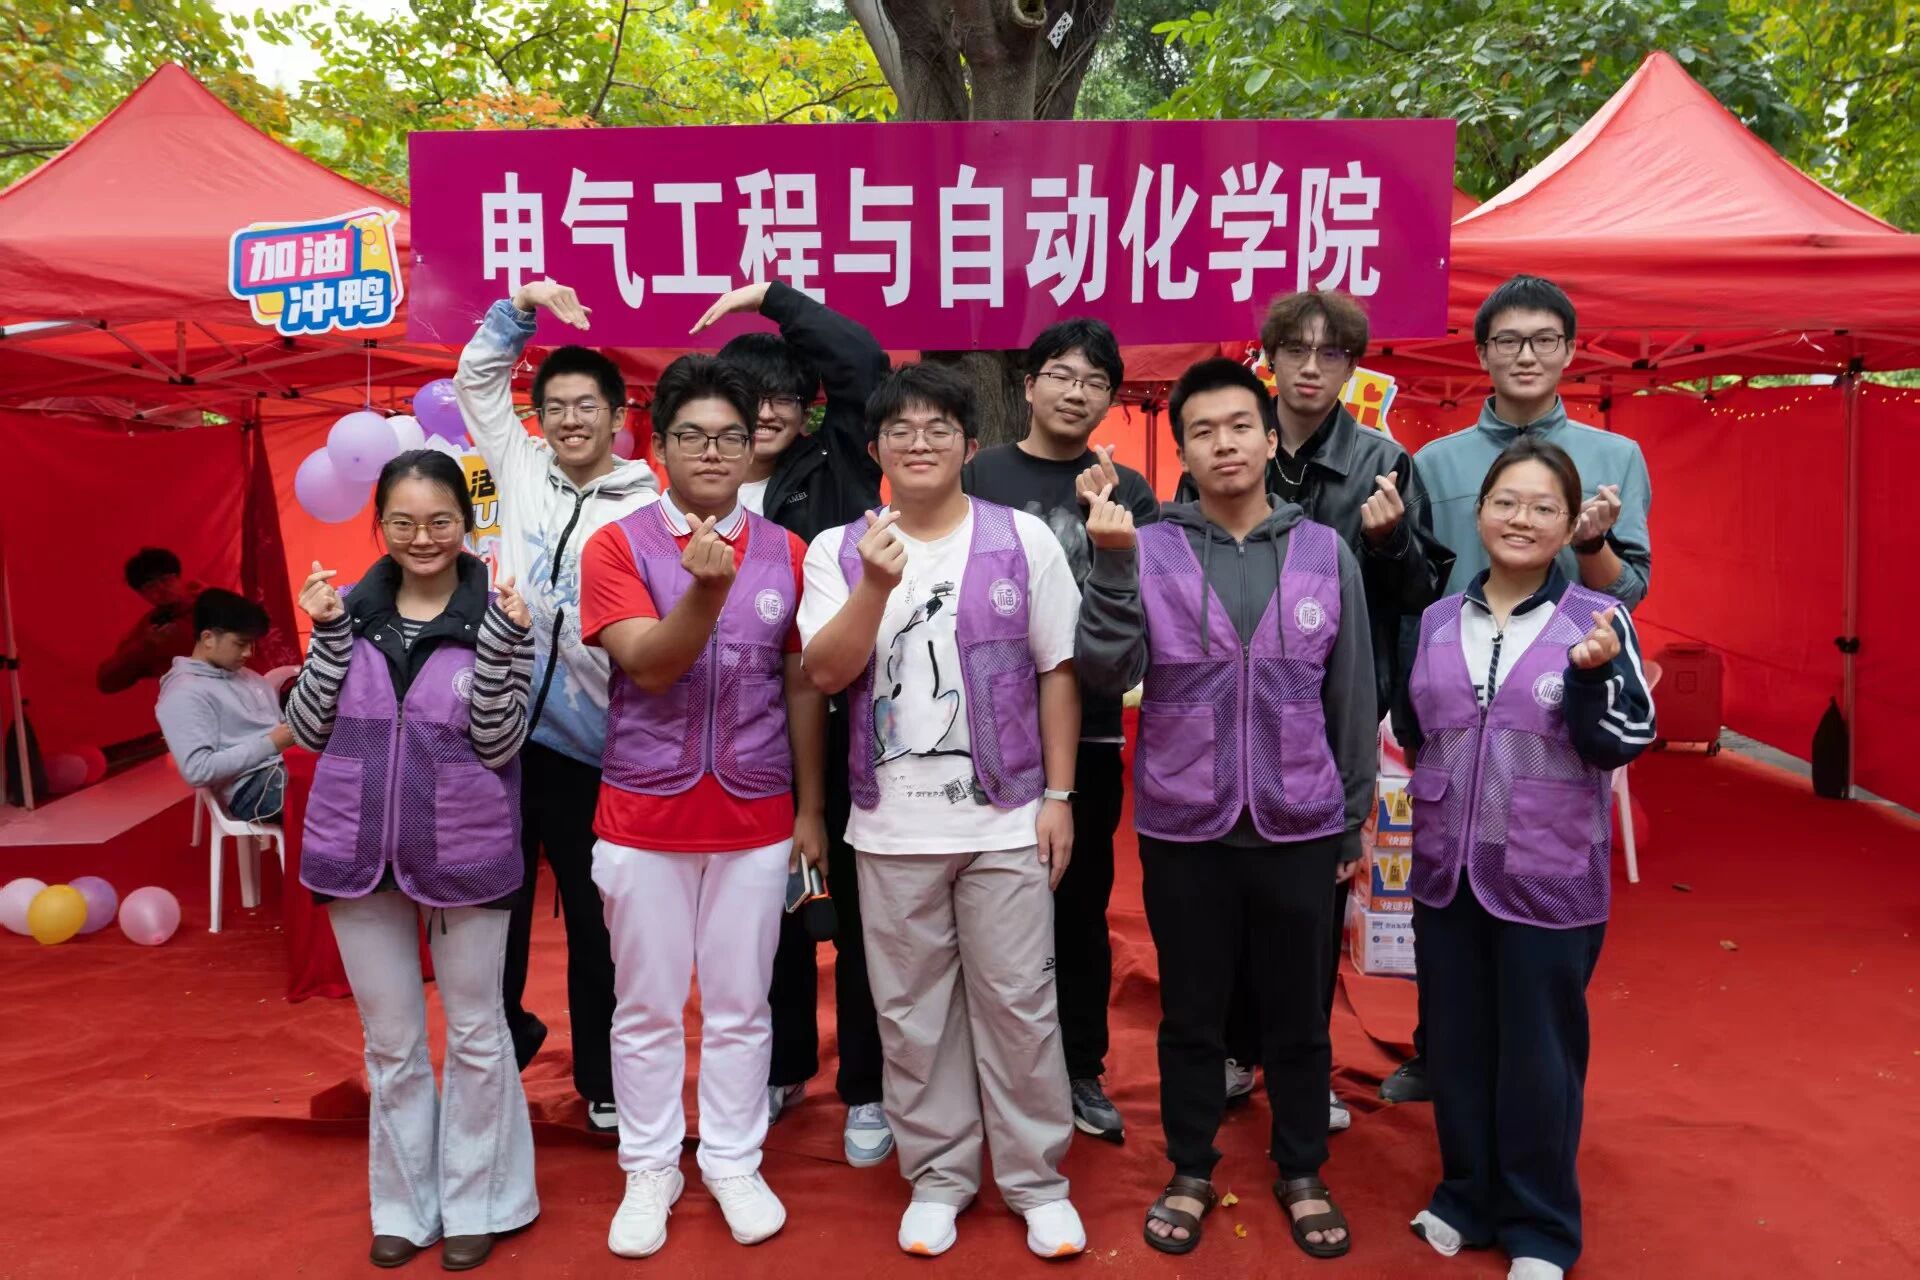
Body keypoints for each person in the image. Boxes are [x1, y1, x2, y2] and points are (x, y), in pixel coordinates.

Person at [1077, 357, 1375, 1260]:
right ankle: (1191, 1167)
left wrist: (1351, 815)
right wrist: (1113, 566)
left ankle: (1303, 1168)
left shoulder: (1325, 553)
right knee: (1191, 1013)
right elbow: (1107, 671)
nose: (1225, 444)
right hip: (1186, 822)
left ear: (1269, 435)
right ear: (1182, 451)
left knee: (1300, 1013)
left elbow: (1351, 695)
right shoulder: (1148, 546)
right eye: (1203, 431)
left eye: (1240, 426)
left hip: (1300, 820)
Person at [798, 363, 1088, 1260]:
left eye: (937, 429)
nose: (918, 442)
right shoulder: (838, 550)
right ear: (875, 448)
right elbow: (825, 671)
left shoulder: (1022, 540)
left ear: (970, 445)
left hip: (1004, 820)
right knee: (910, 1011)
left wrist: (1059, 797)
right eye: (900, 429)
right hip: (890, 829)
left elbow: (1057, 670)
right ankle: (939, 1176)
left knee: (1020, 1004)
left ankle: (1036, 1180)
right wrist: (873, 587)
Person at [1182, 291, 1450, 1130]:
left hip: (1327, 701)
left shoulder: (1384, 462)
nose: (1309, 367)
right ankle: (1235, 1049)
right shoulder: (1234, 442)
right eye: (1293, 350)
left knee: (1315, 894)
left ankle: (1304, 1060)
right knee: (1228, 884)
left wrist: (1390, 542)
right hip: (1228, 700)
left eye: (1329, 353)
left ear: (1351, 367)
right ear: (1268, 360)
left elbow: (1422, 591)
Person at [1384, 273, 1653, 1106]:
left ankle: (1528, 1073)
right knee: (1446, 870)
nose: (1526, 355)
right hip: (1452, 693)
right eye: (1508, 340)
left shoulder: (1614, 457)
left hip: (1551, 702)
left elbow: (1629, 590)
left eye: (1543, 340)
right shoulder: (1435, 460)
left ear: (1569, 351)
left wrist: (1593, 544)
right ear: (1482, 354)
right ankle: (1440, 1050)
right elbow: (1418, 583)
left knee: (1537, 876)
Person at [579, 354, 823, 1259]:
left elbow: (801, 685)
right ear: (659, 448)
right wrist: (707, 590)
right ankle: (649, 1166)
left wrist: (808, 809)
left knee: (742, 1005)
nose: (712, 452)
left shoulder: (789, 552)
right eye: (692, 436)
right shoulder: (618, 546)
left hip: (757, 814)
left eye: (729, 437)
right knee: (644, 1007)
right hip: (643, 814)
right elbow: (647, 664)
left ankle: (731, 1158)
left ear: (753, 447)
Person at [1399, 438, 1654, 1280]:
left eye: (1545, 507)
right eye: (1507, 502)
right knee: (1457, 1044)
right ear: (1479, 513)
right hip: (1447, 869)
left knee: (1540, 1054)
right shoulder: (1439, 619)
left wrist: (1589, 682)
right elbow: (1415, 727)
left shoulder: (1597, 619)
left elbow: (1624, 740)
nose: (1522, 519)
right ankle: (1464, 1195)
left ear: (1569, 523)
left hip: (1549, 875)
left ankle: (1541, 1227)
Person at [285, 450, 538, 1272]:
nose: (421, 538)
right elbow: (310, 729)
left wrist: (503, 643)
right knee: (391, 1044)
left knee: (476, 1032)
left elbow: (499, 742)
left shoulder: (499, 614)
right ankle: (404, 1205)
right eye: (402, 522)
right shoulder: (347, 614)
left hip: (466, 847)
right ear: (380, 526)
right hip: (354, 846)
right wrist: (328, 635)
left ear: (467, 523)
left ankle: (480, 1201)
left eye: (439, 521)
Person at [694, 279, 893, 1166]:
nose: (770, 412)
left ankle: (868, 1087)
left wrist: (771, 298)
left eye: (787, 396)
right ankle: (780, 1066)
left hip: (845, 719)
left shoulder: (838, 462)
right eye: (752, 398)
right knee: (757, 912)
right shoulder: (702, 491)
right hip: (735, 732)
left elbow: (866, 366)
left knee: (852, 908)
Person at [455, 277, 660, 1129]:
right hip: (499, 734)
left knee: (593, 917)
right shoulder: (520, 464)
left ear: (617, 416)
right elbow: (475, 378)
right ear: (537, 416)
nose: (572, 420)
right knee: (488, 910)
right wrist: (521, 308)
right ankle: (495, 1055)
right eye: (556, 407)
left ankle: (604, 1081)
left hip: (591, 744)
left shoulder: (650, 503)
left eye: (588, 406)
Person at [962, 317, 1159, 1144]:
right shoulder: (981, 473)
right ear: (1030, 384)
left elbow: (1146, 607)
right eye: (1063, 375)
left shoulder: (1129, 489)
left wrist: (1111, 528)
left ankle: (1080, 1067)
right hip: (985, 729)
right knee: (982, 906)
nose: (1077, 393)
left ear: (1110, 399)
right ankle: (980, 1070)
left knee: (1078, 905)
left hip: (1093, 733)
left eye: (1095, 382)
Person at [154, 588, 295, 822]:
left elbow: (281, 731)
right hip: (251, 788)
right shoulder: (183, 692)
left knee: (352, 776)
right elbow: (198, 770)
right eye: (240, 643)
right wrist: (272, 743)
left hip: (282, 767)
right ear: (208, 638)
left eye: (251, 643)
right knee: (340, 796)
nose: (248, 653)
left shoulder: (250, 677)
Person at [97, 548, 204, 693]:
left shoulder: (215, 605)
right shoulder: (149, 631)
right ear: (142, 594)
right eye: (150, 586)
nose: (161, 588)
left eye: (165, 579)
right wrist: (144, 646)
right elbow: (106, 682)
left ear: (178, 577)